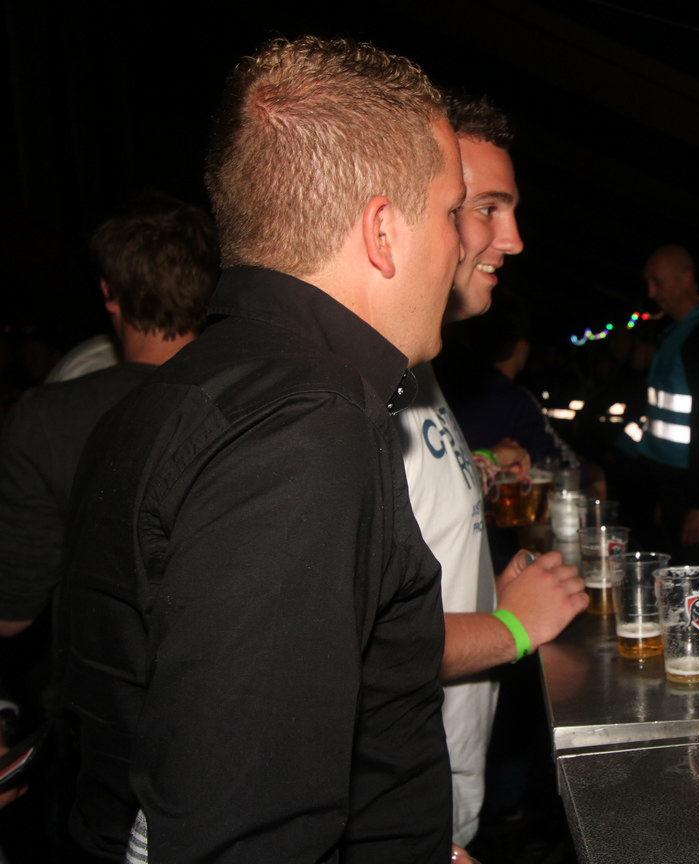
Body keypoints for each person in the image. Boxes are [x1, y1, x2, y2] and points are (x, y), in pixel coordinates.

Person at [60, 37, 462, 862]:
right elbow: (242, 833)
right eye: (453, 213)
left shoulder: (180, 394)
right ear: (383, 231)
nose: (463, 246)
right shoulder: (304, 428)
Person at [397, 94, 586, 849]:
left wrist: (476, 471)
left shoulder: (416, 368)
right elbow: (349, 650)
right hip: (402, 814)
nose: (512, 240)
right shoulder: (350, 391)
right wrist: (510, 627)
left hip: (437, 798)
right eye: (486, 208)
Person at [0, 192, 218, 639]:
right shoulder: (266, 397)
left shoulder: (47, 420)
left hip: (104, 676)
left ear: (108, 292)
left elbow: (11, 613)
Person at [622, 245, 699, 615]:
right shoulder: (677, 334)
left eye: (657, 281)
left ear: (685, 279)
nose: (651, 292)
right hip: (680, 488)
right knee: (685, 589)